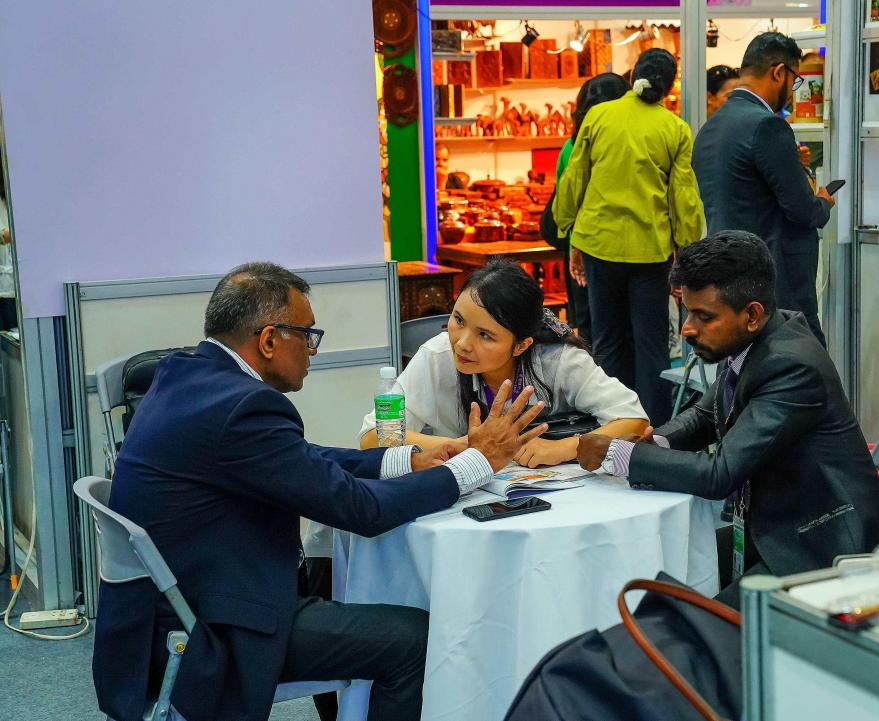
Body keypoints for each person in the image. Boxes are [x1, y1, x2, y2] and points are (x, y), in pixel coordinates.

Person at [93, 262, 549, 721]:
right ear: (269, 340)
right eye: (307, 335)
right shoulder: (244, 407)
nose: (313, 350)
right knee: (414, 639)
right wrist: (476, 463)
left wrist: (405, 460)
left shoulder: (185, 374)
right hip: (212, 631)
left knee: (354, 605)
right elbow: (361, 510)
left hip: (171, 613)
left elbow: (302, 460)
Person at [577, 232, 879, 607]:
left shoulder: (792, 365)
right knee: (656, 566)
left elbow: (719, 474)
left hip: (822, 547)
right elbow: (705, 414)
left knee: (683, 614)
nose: (687, 328)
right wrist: (656, 441)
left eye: (704, 316)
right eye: (687, 311)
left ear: (752, 314)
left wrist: (619, 454)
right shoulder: (756, 339)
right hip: (775, 525)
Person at [360, 260, 649, 468]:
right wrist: (465, 445)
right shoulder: (436, 357)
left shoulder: (557, 359)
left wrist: (564, 447)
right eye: (458, 320)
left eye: (485, 335)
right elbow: (373, 436)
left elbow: (633, 419)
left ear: (521, 345)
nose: (462, 343)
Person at [555, 48, 705, 424]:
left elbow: (576, 177)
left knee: (607, 341)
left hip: (599, 245)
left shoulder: (599, 116)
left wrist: (567, 224)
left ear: (633, 74)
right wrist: (686, 249)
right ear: (670, 86)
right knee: (651, 344)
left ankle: (611, 423)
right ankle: (653, 427)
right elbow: (683, 196)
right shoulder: (674, 128)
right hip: (649, 251)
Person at [692, 32, 835, 345]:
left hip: (730, 278)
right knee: (800, 364)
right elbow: (803, 211)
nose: (792, 93)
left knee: (743, 365)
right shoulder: (767, 125)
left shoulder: (709, 129)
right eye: (794, 80)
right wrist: (823, 201)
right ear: (779, 72)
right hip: (776, 282)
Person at [554, 72, 630, 345]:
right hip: (624, 250)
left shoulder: (571, 147)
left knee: (592, 334)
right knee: (623, 334)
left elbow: (564, 205)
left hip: (584, 249)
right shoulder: (625, 145)